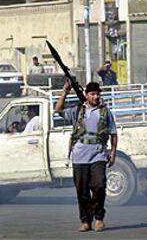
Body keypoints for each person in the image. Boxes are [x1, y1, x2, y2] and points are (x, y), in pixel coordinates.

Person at [55, 81, 118, 232]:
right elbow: (58, 109)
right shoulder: (78, 110)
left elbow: (113, 133)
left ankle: (99, 218)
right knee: (82, 191)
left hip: (98, 154)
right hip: (79, 155)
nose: (96, 97)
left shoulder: (105, 111)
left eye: (98, 94)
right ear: (86, 95)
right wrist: (65, 92)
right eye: (92, 94)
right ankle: (85, 221)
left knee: (99, 186)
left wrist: (113, 152)